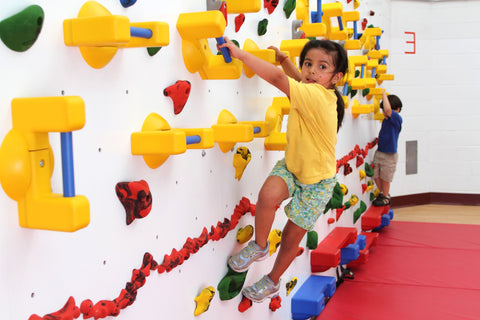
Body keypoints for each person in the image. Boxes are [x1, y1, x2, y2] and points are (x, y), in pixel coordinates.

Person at [219, 38, 348, 303]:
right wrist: (287, 61)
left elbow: (279, 79)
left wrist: (241, 55)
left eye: (321, 67)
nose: (311, 70)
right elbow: (298, 79)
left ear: (337, 78)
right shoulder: (312, 88)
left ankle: (272, 281)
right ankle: (260, 245)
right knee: (267, 197)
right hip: (293, 167)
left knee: (291, 237)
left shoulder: (320, 98)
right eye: (308, 63)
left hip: (318, 182)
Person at [372, 89, 403, 206]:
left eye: (385, 110)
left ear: (397, 109)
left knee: (386, 177)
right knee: (375, 175)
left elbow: (388, 110)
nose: (384, 112)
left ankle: (385, 196)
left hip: (390, 155)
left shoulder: (396, 119)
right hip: (380, 152)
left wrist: (383, 94)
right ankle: (384, 193)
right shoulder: (386, 120)